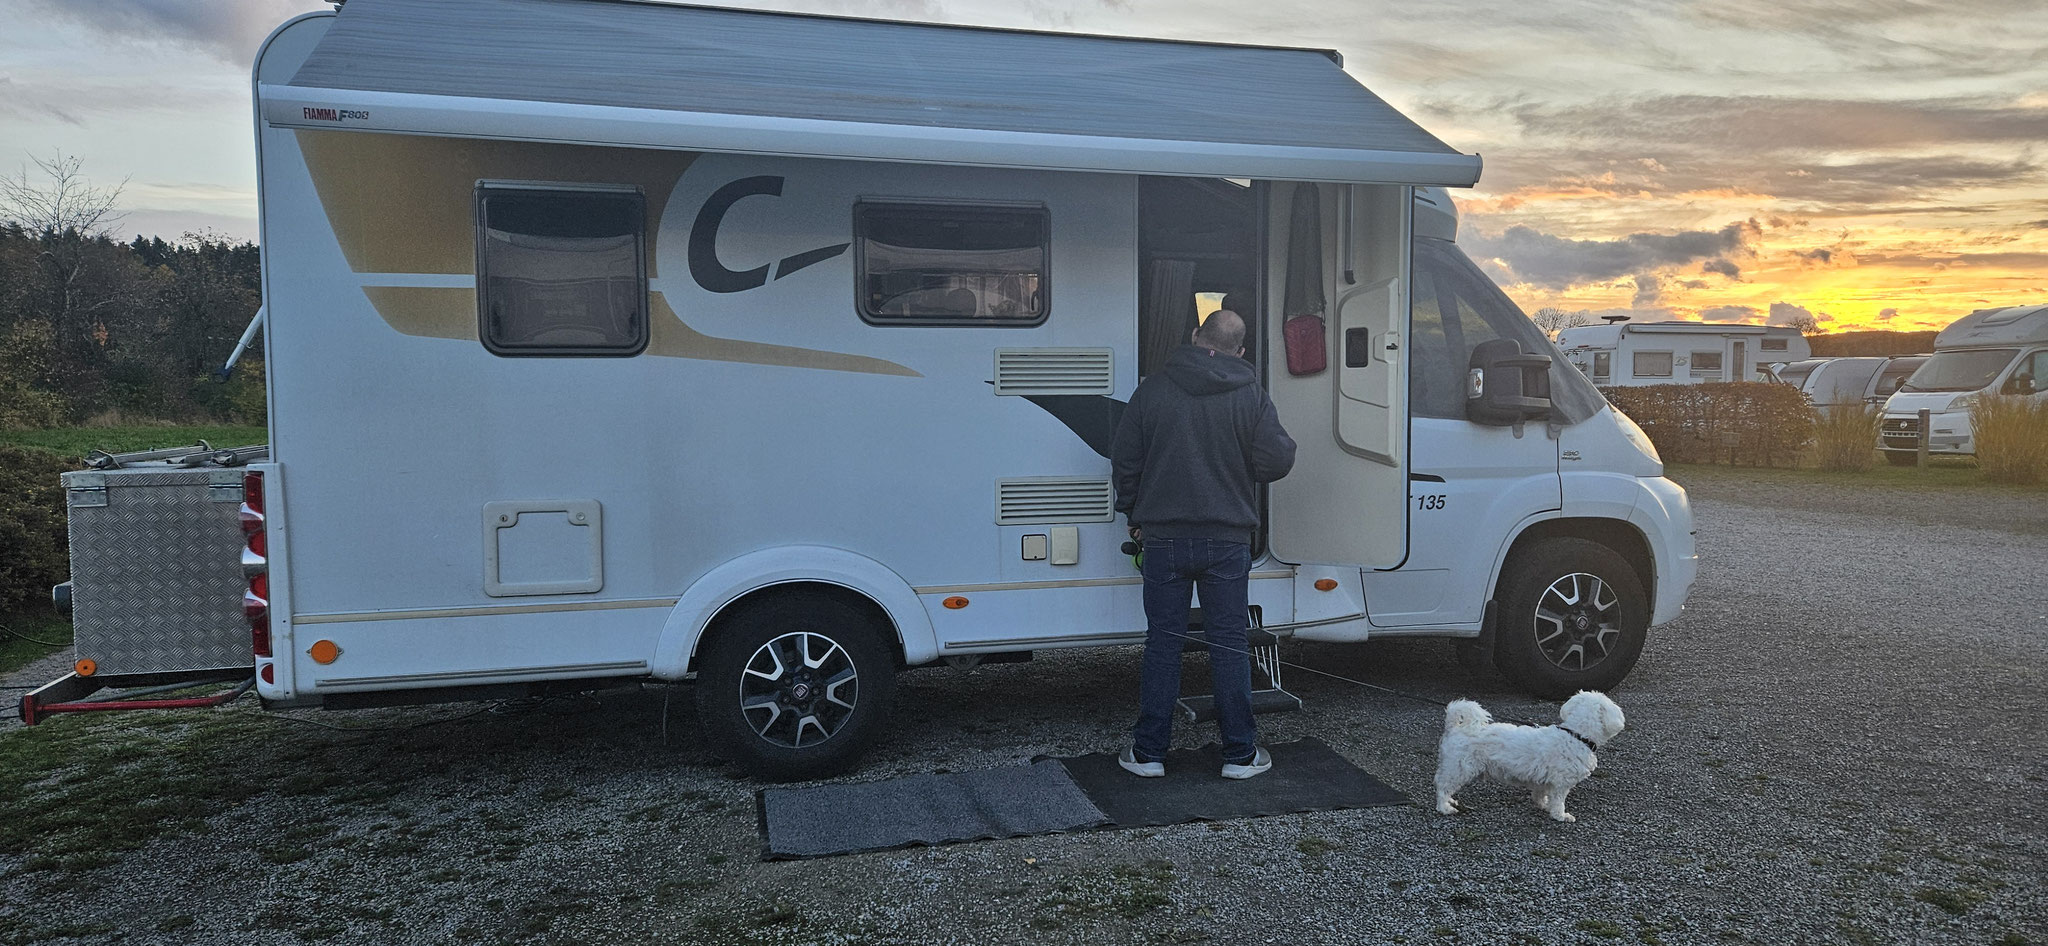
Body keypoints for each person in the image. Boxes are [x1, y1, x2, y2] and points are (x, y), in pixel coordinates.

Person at [1110, 309, 1297, 780]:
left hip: (1164, 537)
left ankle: (1148, 753)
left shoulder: (1152, 389)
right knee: (1230, 644)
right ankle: (1240, 756)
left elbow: (1125, 459)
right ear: (1241, 350)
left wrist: (1134, 512)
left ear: (1195, 336)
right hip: (1227, 539)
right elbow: (1277, 458)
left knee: (1163, 643)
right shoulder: (1251, 394)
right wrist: (1239, 466)